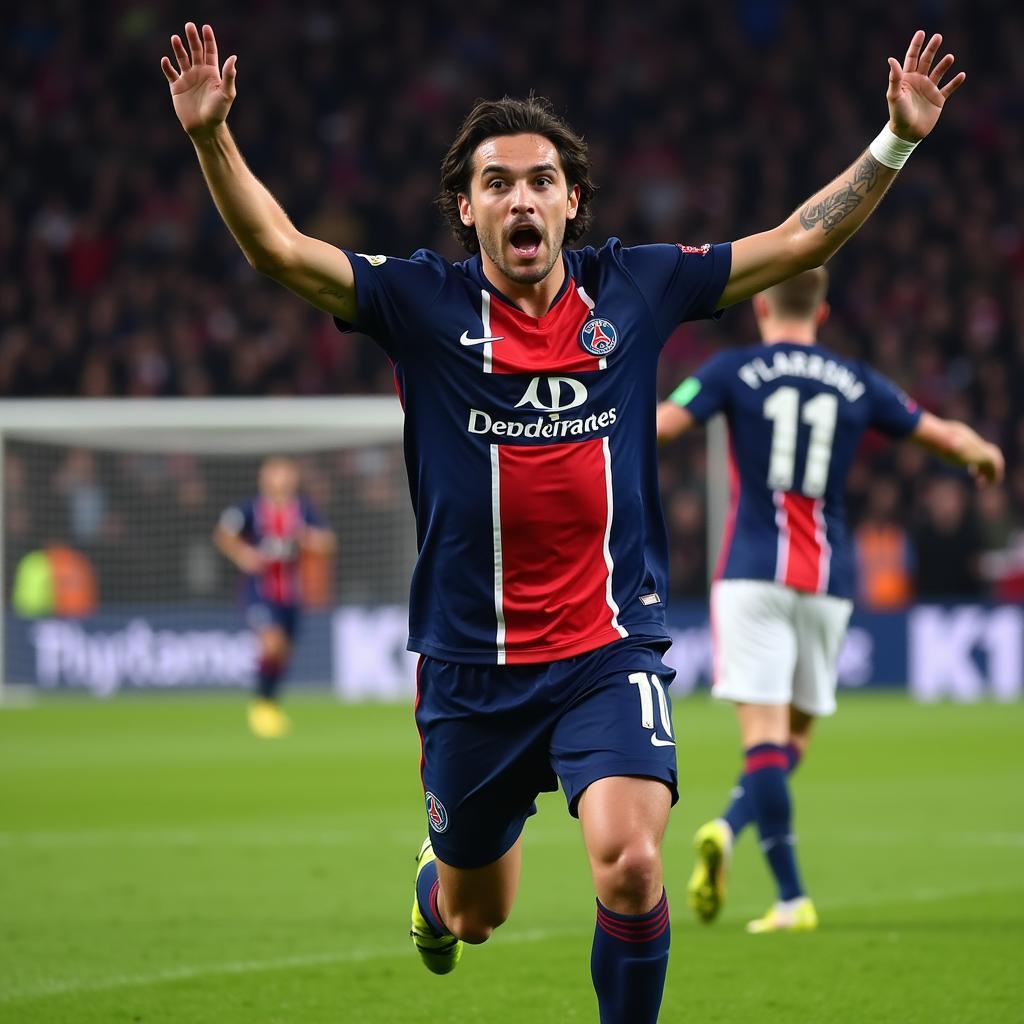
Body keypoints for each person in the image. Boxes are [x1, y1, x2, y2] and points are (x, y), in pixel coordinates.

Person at [163, 21, 964, 1020]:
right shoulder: (421, 303)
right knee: (473, 914)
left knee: (629, 865)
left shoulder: (636, 284)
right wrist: (209, 138)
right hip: (471, 666)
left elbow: (802, 238)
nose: (521, 197)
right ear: (467, 208)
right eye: (496, 183)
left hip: (605, 649)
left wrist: (894, 139)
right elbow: (280, 250)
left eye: (540, 179)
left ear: (571, 200)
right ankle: (436, 891)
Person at [656, 268, 1003, 934]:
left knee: (764, 742)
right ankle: (729, 831)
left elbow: (666, 425)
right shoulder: (857, 380)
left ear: (760, 303)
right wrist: (981, 453)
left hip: (753, 573)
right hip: (827, 581)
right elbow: (943, 436)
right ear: (820, 313)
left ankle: (789, 898)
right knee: (795, 742)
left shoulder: (732, 369)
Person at [214, 456, 336, 737]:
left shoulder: (302, 510)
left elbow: (328, 542)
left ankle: (269, 704)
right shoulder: (250, 509)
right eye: (274, 474)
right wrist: (243, 554)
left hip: (291, 593)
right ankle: (261, 706)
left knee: (282, 652)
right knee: (272, 643)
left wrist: (305, 537)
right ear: (264, 479)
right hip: (260, 591)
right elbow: (223, 533)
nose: (280, 480)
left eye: (285, 474)